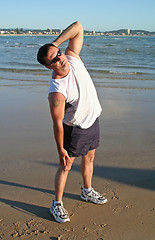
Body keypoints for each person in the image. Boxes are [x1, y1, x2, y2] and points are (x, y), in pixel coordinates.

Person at [37, 21, 107, 223]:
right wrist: (61, 149)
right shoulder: (57, 92)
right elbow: (57, 124)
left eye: (58, 54)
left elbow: (77, 26)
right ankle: (56, 204)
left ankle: (87, 191)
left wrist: (54, 45)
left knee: (90, 158)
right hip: (75, 129)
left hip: (92, 119)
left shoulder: (71, 57)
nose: (60, 59)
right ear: (48, 67)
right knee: (66, 166)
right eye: (54, 60)